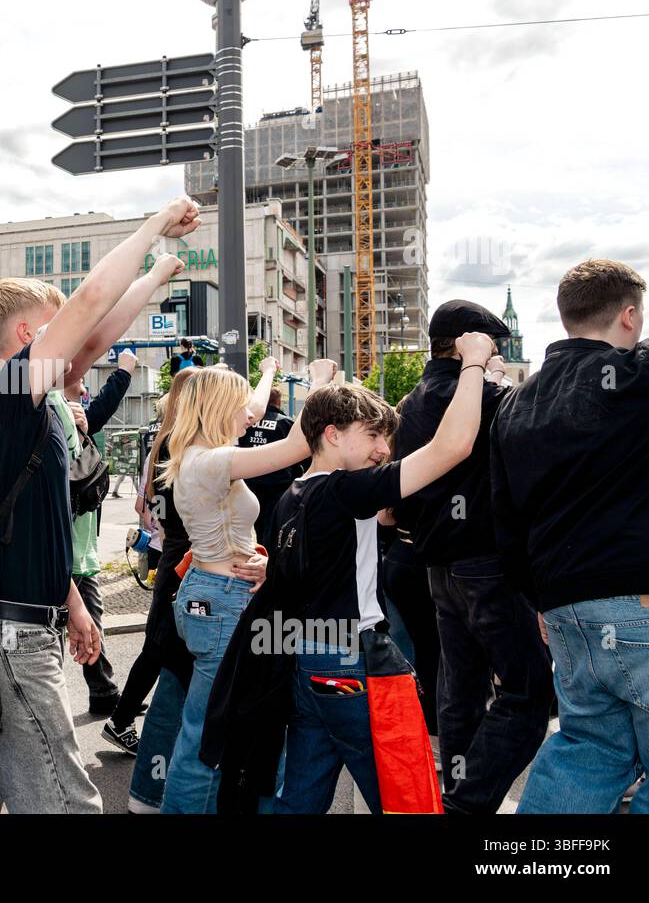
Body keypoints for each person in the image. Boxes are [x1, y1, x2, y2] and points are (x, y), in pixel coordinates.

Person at [0, 196, 202, 814]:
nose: (75, 335)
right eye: (56, 321)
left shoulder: (33, 407)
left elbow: (95, 334)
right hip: (12, 639)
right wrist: (150, 228)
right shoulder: (7, 392)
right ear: (26, 336)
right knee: (66, 801)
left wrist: (153, 276)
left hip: (19, 625)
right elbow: (91, 305)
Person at [200, 332, 496, 815]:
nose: (385, 449)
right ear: (332, 434)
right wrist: (474, 366)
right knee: (404, 797)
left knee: (300, 799)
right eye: (374, 435)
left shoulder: (296, 493)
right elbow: (452, 447)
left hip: (306, 661)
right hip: (347, 665)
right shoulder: (346, 490)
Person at [492, 259, 649, 814]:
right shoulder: (638, 376)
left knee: (588, 748)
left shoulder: (516, 404)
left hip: (563, 610)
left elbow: (505, 520)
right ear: (629, 315)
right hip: (642, 600)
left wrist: (539, 599)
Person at [392, 299, 552, 813]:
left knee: (460, 689)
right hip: (489, 563)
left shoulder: (411, 401)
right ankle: (470, 803)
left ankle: (457, 791)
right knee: (527, 694)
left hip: (438, 566)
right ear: (469, 345)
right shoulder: (484, 395)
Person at [158, 357, 335, 814]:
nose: (250, 417)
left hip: (213, 592)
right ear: (219, 409)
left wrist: (270, 372)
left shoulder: (199, 456)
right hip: (222, 604)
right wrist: (316, 383)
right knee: (206, 734)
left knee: (212, 724)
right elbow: (298, 445)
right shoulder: (214, 461)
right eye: (240, 410)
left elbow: (256, 406)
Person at [107, 369, 196, 771]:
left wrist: (161, 528)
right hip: (181, 555)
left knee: (164, 644)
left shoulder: (161, 439)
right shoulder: (184, 443)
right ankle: (123, 721)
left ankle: (125, 719)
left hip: (168, 551)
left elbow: (145, 508)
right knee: (163, 645)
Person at [59, 350, 137, 716]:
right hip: (69, 550)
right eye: (79, 372)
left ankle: (103, 693)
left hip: (80, 546)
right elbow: (105, 404)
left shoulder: (79, 419)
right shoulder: (65, 416)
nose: (84, 378)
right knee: (82, 622)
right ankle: (102, 695)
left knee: (82, 623)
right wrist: (123, 371)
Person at [239, 380, 305, 548]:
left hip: (249, 483)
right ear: (278, 401)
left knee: (253, 526)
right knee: (274, 526)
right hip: (277, 486)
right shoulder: (285, 422)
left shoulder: (247, 422)